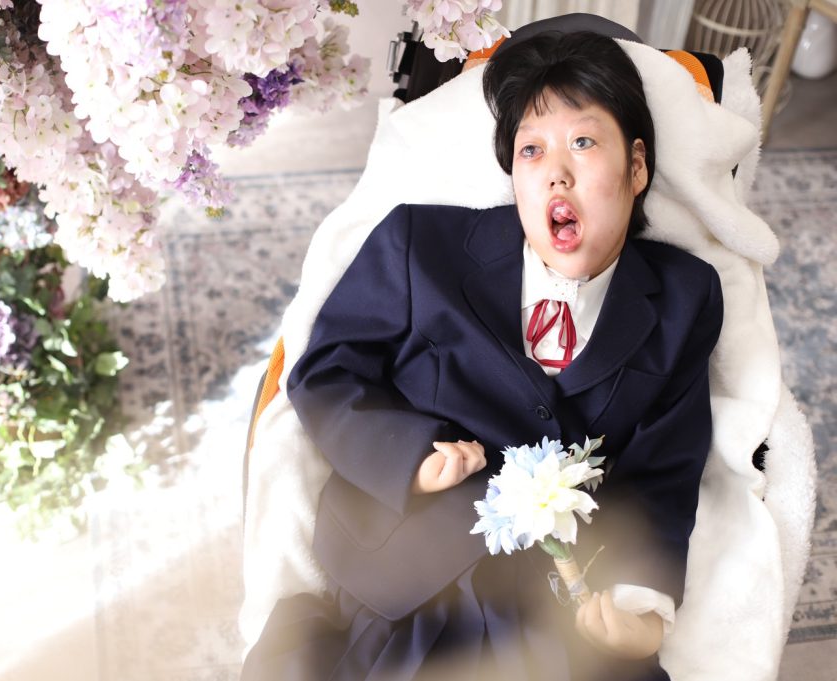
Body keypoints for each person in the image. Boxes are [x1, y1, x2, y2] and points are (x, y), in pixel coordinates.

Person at [241, 24, 723, 681]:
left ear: (636, 167)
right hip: (415, 577)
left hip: (559, 604)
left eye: (583, 143)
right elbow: (326, 371)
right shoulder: (420, 246)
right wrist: (412, 459)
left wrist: (643, 604)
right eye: (531, 150)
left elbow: (666, 467)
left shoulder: (684, 297)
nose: (556, 172)